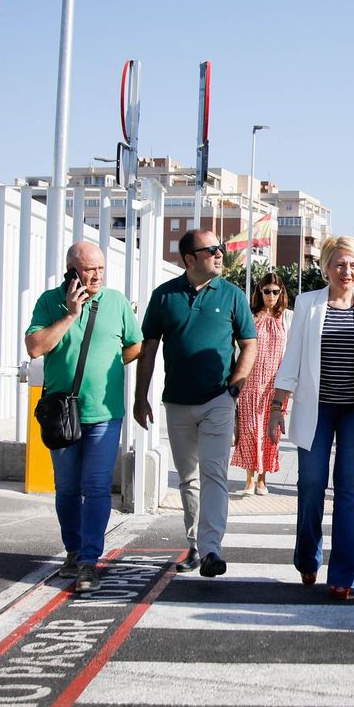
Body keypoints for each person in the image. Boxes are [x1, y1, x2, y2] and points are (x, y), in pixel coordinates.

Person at [268, 237, 354, 600]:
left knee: (348, 491)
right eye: (340, 265)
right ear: (326, 267)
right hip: (318, 407)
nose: (347, 272)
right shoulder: (307, 304)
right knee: (310, 484)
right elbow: (292, 357)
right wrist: (278, 405)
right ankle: (308, 555)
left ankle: (343, 573)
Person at [134, 229, 257, 577]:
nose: (221, 254)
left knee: (214, 473)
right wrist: (140, 396)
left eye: (221, 248)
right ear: (190, 259)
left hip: (219, 399)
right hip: (177, 402)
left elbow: (249, 343)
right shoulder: (164, 296)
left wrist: (234, 389)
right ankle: (194, 546)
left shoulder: (233, 295)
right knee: (188, 478)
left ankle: (212, 549)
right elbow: (148, 349)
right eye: (213, 249)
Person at [25, 241, 142, 593]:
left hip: (105, 413)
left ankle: (90, 559)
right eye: (89, 269)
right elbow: (35, 347)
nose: (97, 276)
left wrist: (107, 367)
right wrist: (71, 315)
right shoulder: (50, 302)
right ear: (71, 270)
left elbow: (134, 345)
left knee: (95, 486)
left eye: (101, 268)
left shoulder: (117, 302)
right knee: (67, 489)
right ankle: (74, 551)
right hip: (62, 413)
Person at [233, 271, 294, 496]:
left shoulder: (288, 317)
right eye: (266, 291)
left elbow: (294, 351)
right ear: (260, 291)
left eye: (275, 291)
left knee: (270, 433)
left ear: (281, 293)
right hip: (250, 383)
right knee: (249, 430)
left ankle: (262, 478)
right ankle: (249, 479)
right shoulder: (249, 316)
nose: (271, 295)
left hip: (275, 386)